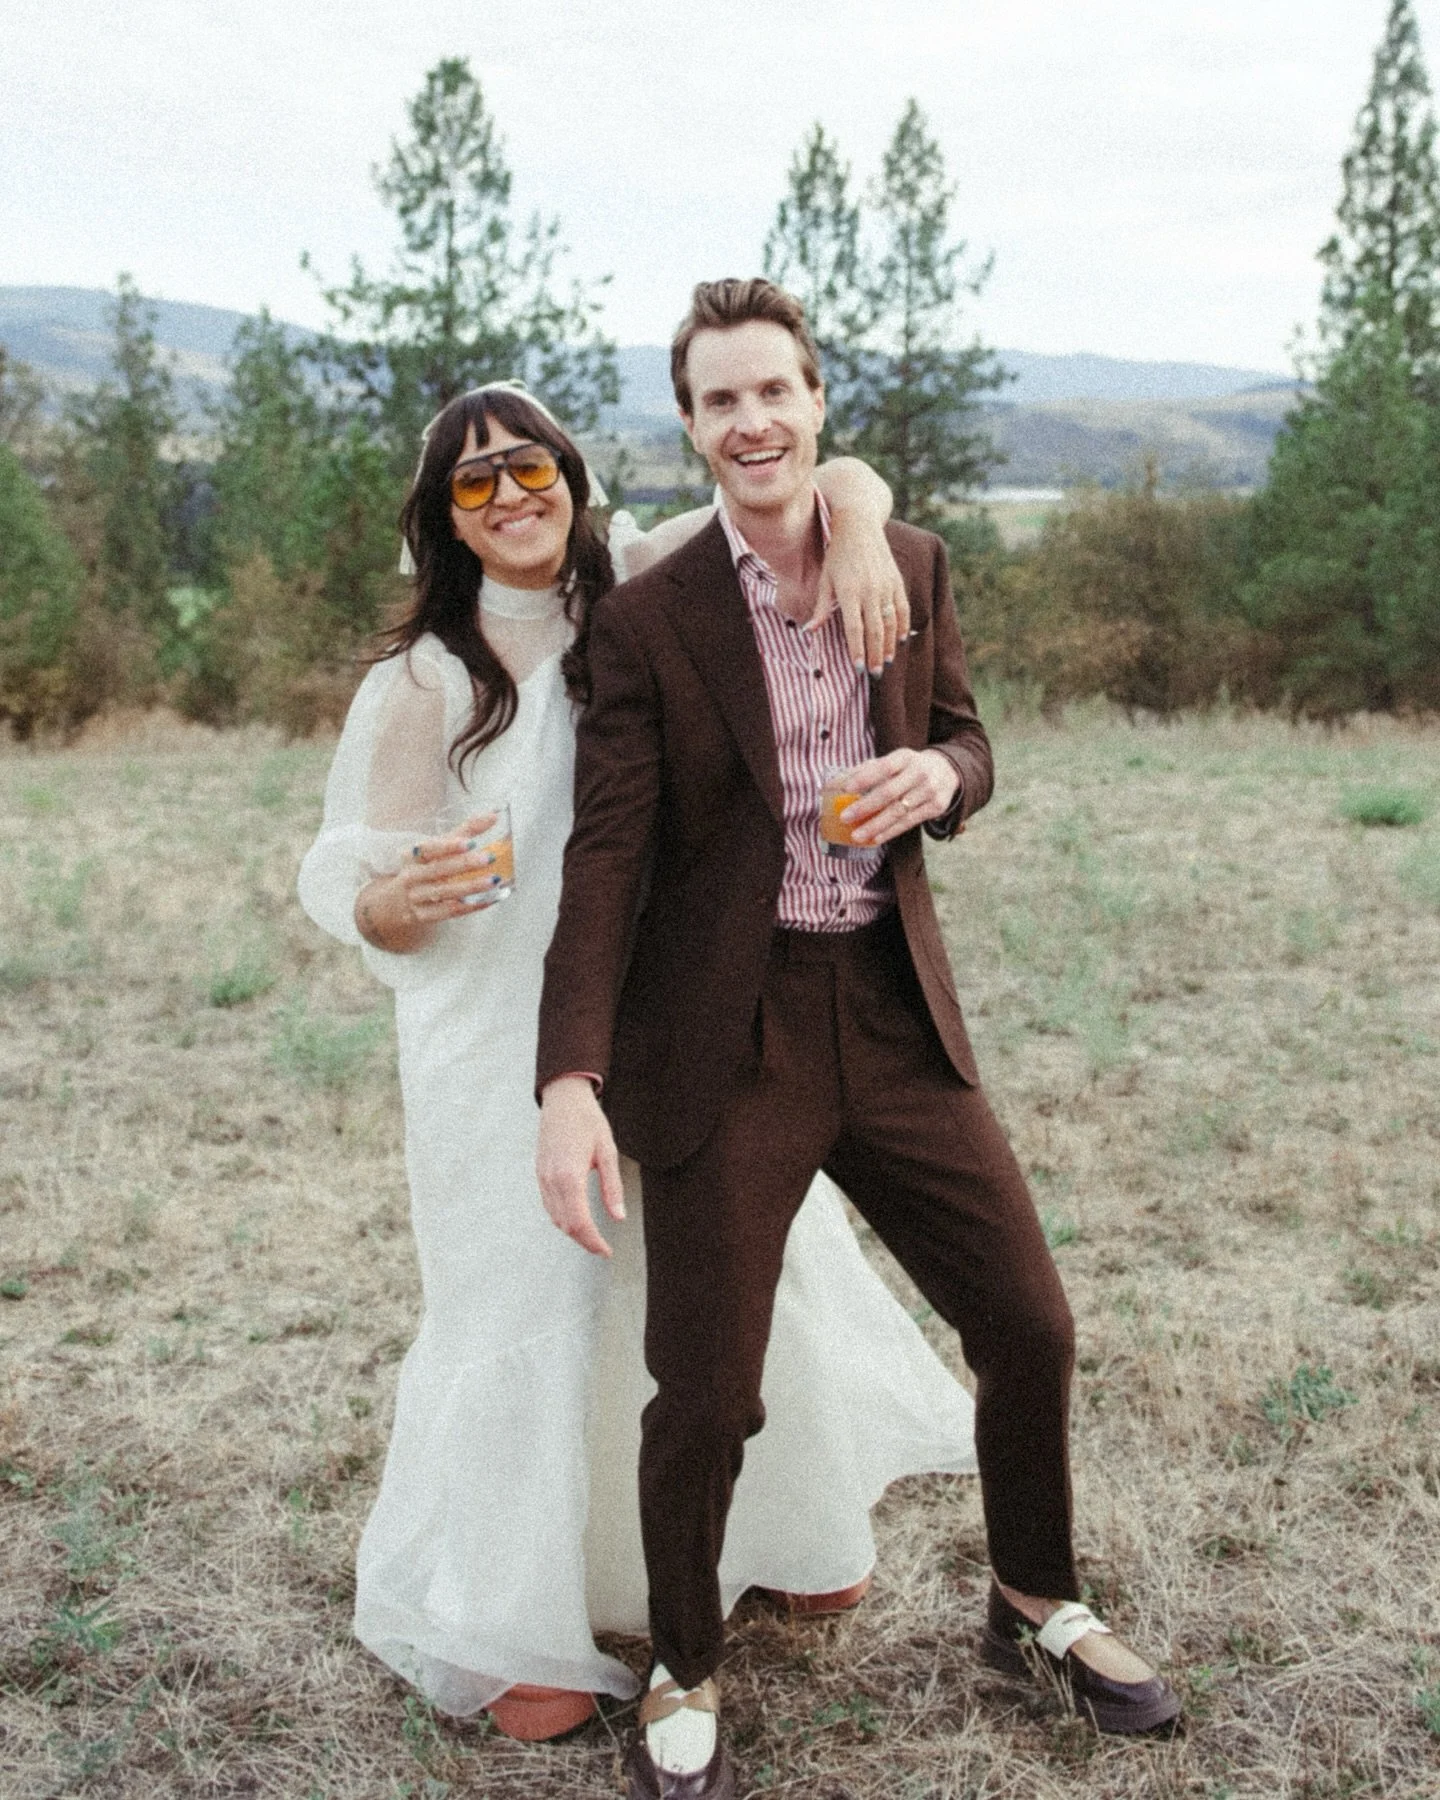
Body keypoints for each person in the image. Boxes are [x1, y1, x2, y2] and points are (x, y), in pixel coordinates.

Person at [534, 281, 1182, 1798]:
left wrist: (940, 781)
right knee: (706, 1390)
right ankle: (684, 1660)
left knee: (1029, 1324)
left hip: (893, 1012)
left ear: (817, 402)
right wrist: (570, 1077)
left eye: (776, 392)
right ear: (690, 426)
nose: (752, 420)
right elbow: (607, 856)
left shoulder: (913, 563)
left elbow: (970, 736)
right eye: (719, 401)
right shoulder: (647, 619)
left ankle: (1032, 1602)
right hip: (728, 1035)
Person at [297, 380, 980, 1745]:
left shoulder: (648, 583)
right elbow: (351, 883)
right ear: (442, 516)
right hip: (494, 1033)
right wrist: (401, 901)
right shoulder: (426, 678)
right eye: (473, 483)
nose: (510, 497)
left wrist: (851, 524)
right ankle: (517, 1618)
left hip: (667, 1002)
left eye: (529, 466)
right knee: (536, 1288)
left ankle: (776, 1534)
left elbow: (821, 477)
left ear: (574, 472)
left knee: (713, 1269)